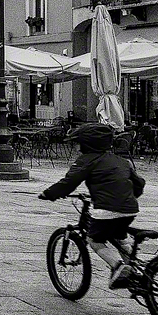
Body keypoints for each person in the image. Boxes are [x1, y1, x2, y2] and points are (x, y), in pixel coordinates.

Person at [38, 123, 147, 289]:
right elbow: (138, 184)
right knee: (119, 234)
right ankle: (135, 270)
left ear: (86, 144)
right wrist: (128, 197)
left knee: (94, 239)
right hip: (130, 208)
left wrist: (49, 194)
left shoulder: (87, 160)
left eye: (77, 143)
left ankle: (118, 266)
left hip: (106, 209)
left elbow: (69, 182)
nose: (75, 147)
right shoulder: (122, 161)